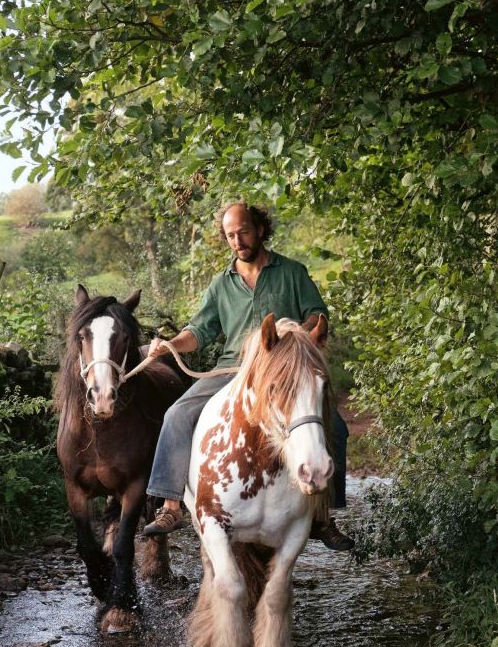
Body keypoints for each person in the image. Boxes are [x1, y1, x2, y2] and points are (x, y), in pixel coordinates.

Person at [143, 201, 354, 551]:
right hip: (232, 370)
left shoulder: (292, 272)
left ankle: (323, 516)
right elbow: (200, 330)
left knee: (335, 428)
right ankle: (170, 505)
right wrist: (170, 345)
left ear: (260, 229)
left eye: (242, 231)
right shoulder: (220, 284)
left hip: (282, 371)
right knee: (176, 415)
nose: (237, 240)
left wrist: (296, 339)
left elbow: (318, 319)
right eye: (229, 235)